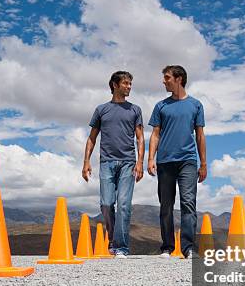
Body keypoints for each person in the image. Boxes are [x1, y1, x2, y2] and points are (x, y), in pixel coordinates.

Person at [82, 71, 145, 258]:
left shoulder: (135, 110)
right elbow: (92, 138)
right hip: (106, 162)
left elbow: (140, 138)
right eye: (125, 83)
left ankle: (121, 248)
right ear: (115, 85)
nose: (129, 87)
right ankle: (112, 238)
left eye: (130, 84)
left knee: (124, 204)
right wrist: (86, 161)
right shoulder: (102, 110)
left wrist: (140, 162)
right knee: (106, 204)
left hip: (128, 162)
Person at [147, 65, 207, 258]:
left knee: (188, 203)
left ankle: (188, 248)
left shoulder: (196, 105)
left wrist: (203, 164)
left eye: (167, 78)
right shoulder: (161, 106)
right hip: (164, 161)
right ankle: (167, 247)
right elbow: (155, 134)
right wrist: (150, 158)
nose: (164, 81)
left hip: (188, 161)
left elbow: (200, 135)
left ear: (179, 79)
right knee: (166, 205)